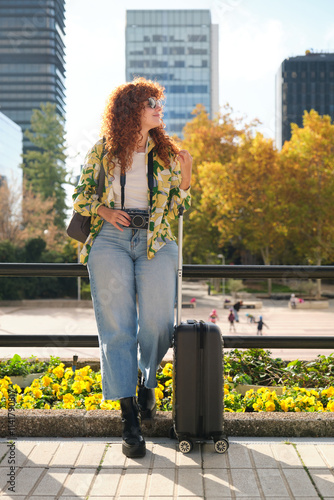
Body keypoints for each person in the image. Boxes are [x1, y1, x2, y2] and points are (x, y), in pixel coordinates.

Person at [72, 78, 192, 458]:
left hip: (156, 241)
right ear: (130, 110)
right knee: (116, 327)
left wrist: (186, 177)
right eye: (150, 102)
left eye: (159, 101)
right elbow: (80, 196)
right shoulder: (104, 151)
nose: (159, 107)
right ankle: (129, 420)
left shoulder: (167, 153)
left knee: (158, 323)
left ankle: (146, 379)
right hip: (110, 240)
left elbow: (177, 207)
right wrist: (105, 210)